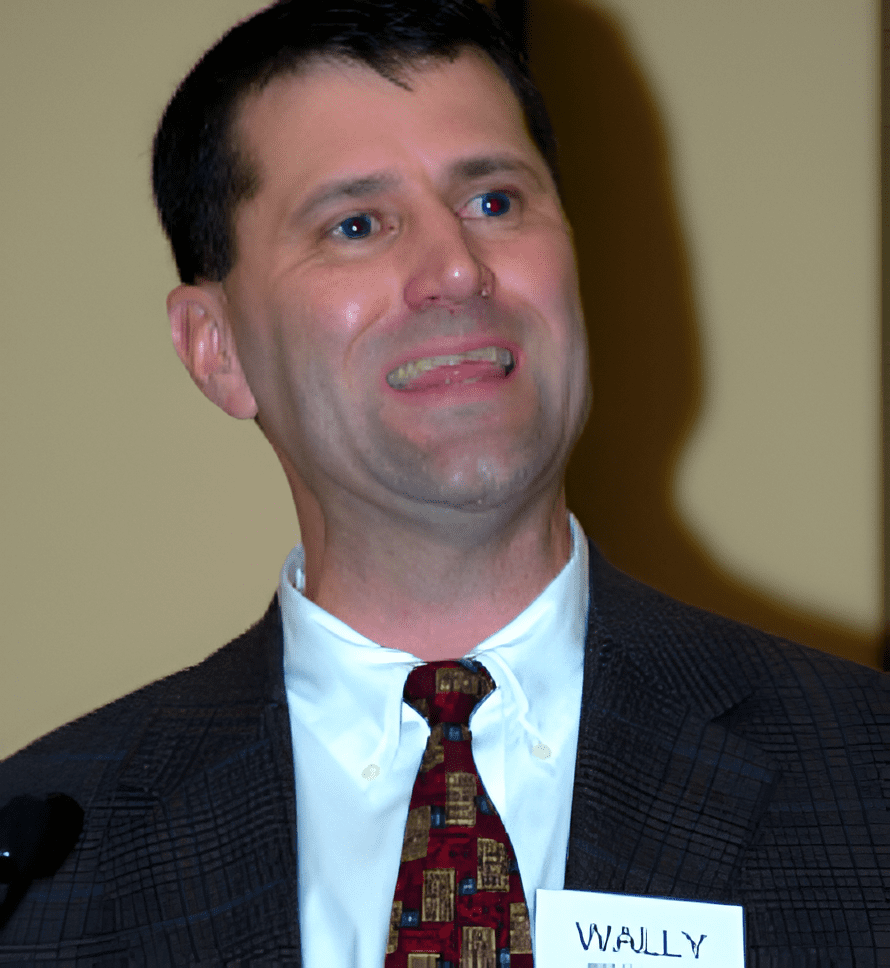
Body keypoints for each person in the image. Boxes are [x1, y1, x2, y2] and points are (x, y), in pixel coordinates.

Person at [0, 1, 887, 965]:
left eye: (494, 202)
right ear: (217, 350)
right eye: (356, 223)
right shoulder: (42, 863)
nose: (456, 270)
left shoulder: (866, 776)